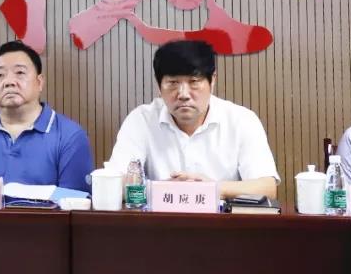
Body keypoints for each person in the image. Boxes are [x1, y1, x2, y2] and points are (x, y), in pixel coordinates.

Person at [107, 39, 279, 200]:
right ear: (159, 86)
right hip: (160, 222)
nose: (183, 94)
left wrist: (213, 189)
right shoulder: (141, 120)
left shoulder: (241, 120)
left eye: (194, 81)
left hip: (222, 221)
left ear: (212, 81)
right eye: (173, 83)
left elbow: (267, 188)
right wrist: (165, 189)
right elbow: (114, 183)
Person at [0, 40, 93, 191]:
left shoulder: (70, 137)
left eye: (20, 73)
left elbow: (74, 202)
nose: (9, 82)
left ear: (39, 82)